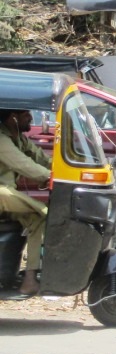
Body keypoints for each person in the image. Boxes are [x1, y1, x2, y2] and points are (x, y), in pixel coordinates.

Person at [0, 109, 52, 297]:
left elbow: (40, 157)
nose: (30, 117)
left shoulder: (19, 138)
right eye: (26, 114)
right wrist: (50, 177)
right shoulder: (1, 139)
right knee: (42, 211)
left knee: (36, 219)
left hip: (6, 195)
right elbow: (22, 163)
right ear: (13, 117)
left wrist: (68, 170)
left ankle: (30, 279)